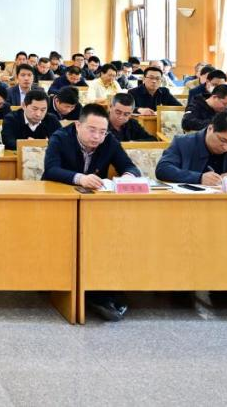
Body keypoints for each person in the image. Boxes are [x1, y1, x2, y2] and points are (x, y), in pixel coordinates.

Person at [43, 104, 141, 323]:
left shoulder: (109, 141)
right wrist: (80, 178)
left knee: (109, 237)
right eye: (92, 130)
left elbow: (130, 166)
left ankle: (101, 290)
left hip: (94, 207)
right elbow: (51, 169)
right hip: (59, 203)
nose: (97, 136)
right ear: (78, 126)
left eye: (102, 132)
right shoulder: (60, 137)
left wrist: (127, 177)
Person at [156, 109, 227, 186]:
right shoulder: (183, 142)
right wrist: (199, 178)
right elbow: (163, 169)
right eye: (223, 140)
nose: (226, 147)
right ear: (210, 129)